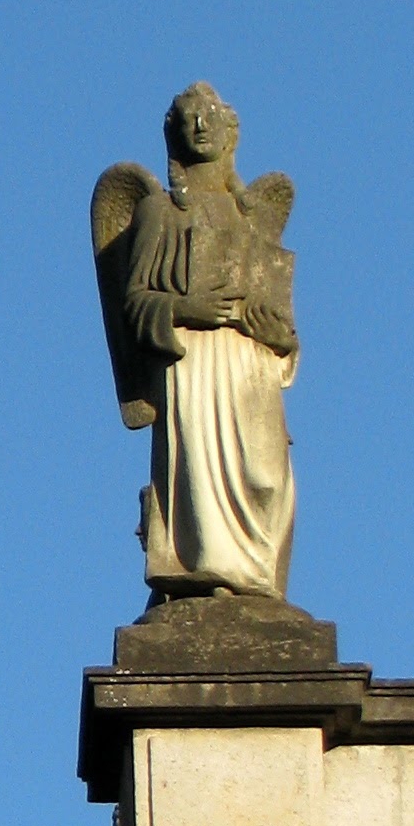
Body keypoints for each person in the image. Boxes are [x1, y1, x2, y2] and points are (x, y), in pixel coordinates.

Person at [92, 84, 299, 600]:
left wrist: (280, 338)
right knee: (200, 483)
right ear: (174, 134)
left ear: (231, 132)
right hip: (193, 361)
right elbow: (135, 303)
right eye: (188, 118)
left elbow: (284, 326)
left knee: (268, 478)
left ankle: (258, 580)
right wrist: (187, 308)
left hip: (250, 361)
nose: (200, 125)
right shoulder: (158, 213)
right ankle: (206, 572)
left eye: (209, 116)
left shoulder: (253, 219)